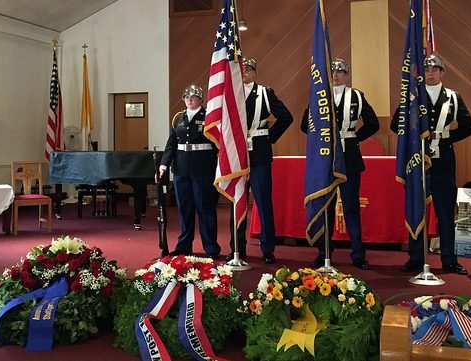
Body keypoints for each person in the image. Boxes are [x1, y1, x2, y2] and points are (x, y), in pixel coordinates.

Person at [390, 53, 471, 274]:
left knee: (445, 212)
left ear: (442, 72)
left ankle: (449, 259)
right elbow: (394, 124)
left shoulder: (454, 98)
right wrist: (414, 140)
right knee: (417, 210)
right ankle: (416, 257)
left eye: (435, 69)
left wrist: (445, 138)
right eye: (427, 69)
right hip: (418, 162)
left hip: (444, 163)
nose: (430, 73)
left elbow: (468, 127)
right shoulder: (413, 96)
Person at [300, 58, 379, 270]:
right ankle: (324, 251)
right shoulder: (319, 96)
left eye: (340, 72)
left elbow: (374, 123)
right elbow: (304, 125)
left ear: (347, 75)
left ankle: (358, 254)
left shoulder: (356, 96)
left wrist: (354, 137)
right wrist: (322, 140)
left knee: (351, 206)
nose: (335, 75)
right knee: (325, 206)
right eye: (332, 72)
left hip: (350, 156)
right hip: (326, 156)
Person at [227, 57, 294, 264]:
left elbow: (286, 117)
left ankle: (267, 248)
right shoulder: (230, 94)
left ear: (255, 72)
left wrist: (269, 137)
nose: (245, 71)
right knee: (236, 201)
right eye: (242, 69)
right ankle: (237, 248)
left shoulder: (265, 93)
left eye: (248, 68)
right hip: (237, 155)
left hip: (259, 154)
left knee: (263, 202)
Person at [159, 85, 221, 259]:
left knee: (205, 209)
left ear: (201, 99)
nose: (190, 99)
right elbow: (171, 143)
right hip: (181, 170)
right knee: (184, 209)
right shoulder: (178, 118)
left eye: (193, 97)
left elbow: (218, 143)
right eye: (186, 96)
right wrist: (164, 165)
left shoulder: (209, 116)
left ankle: (211, 248)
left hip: (203, 169)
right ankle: (184, 246)